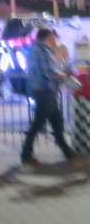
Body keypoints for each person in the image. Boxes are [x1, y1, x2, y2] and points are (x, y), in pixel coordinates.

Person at [20, 27, 77, 166]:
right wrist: (67, 75)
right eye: (53, 36)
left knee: (57, 121)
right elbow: (49, 72)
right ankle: (26, 154)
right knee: (38, 123)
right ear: (48, 36)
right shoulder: (43, 51)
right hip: (45, 90)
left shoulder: (35, 49)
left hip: (43, 90)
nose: (54, 39)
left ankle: (67, 152)